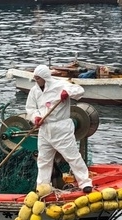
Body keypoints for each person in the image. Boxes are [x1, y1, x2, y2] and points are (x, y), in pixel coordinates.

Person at [26, 64, 93, 194]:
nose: (36, 80)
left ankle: (85, 183)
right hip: (45, 129)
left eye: (38, 78)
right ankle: (43, 186)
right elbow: (30, 109)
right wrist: (36, 118)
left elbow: (79, 90)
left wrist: (67, 92)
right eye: (35, 78)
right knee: (43, 159)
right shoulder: (34, 91)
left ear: (45, 77)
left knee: (72, 156)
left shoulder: (60, 85)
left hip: (61, 127)